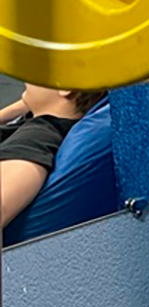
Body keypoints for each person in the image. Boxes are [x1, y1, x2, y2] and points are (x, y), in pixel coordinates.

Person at [0, 84, 107, 227]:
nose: (27, 79)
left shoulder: (36, 137)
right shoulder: (49, 116)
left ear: (65, 88)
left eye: (38, 74)